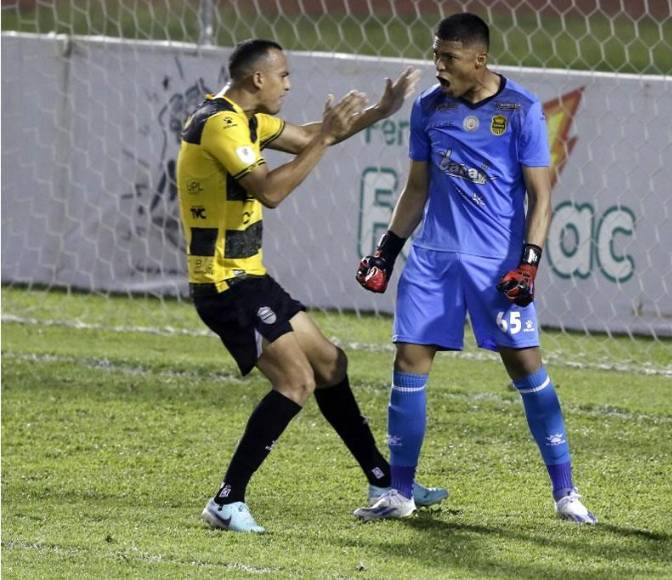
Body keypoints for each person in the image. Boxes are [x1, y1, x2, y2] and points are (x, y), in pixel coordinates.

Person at [176, 39, 447, 534]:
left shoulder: (245, 119)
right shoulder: (220, 123)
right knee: (295, 382)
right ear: (257, 79)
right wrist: (326, 140)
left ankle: (383, 481)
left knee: (329, 363)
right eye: (283, 75)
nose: (289, 83)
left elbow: (308, 135)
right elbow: (272, 191)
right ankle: (226, 499)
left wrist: (379, 111)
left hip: (250, 278)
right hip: (224, 284)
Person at [352, 13, 596, 523]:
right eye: (435, 55)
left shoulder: (522, 109)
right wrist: (386, 252)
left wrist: (528, 265)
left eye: (449, 57)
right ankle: (399, 494)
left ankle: (566, 492)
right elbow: (416, 188)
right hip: (433, 261)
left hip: (497, 268)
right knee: (407, 365)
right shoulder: (427, 109)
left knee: (527, 369)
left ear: (479, 58)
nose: (438, 66)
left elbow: (542, 196)